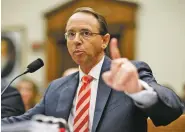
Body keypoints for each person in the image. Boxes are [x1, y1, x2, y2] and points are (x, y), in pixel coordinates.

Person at [2, 7, 184, 132]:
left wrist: (137, 89)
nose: (76, 40)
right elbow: (24, 121)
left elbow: (172, 110)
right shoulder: (57, 88)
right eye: (70, 34)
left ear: (104, 40)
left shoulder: (128, 75)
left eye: (86, 33)